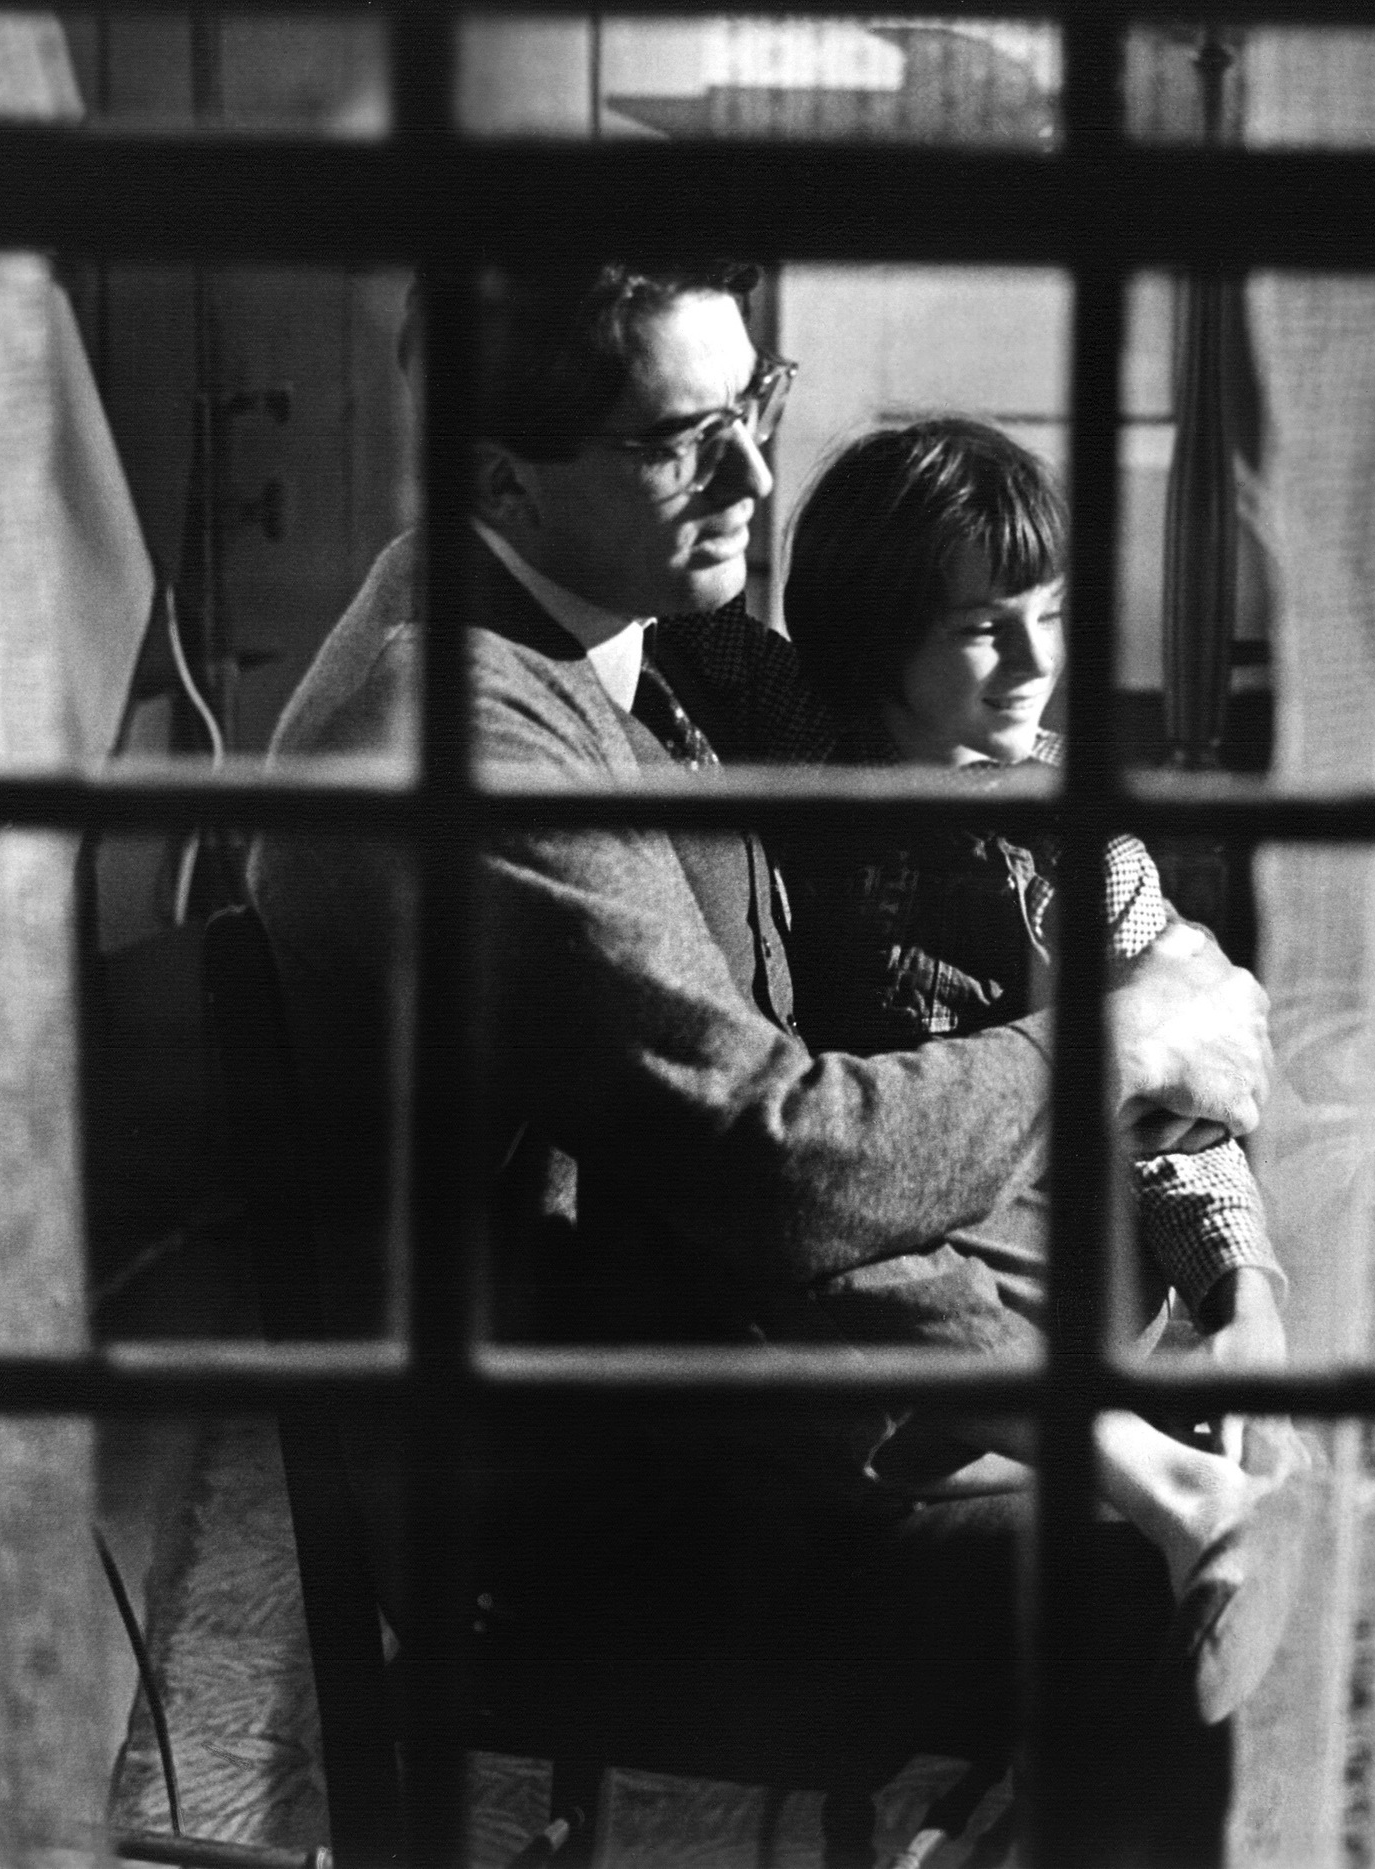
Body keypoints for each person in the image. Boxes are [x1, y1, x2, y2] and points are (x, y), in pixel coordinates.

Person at [248, 263, 1290, 1799]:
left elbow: (920, 780)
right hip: (595, 1518)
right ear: (504, 481)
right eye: (683, 440)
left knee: (1257, 1424)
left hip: (717, 1369)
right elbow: (775, 1160)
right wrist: (1124, 1040)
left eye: (756, 404)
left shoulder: (630, 636)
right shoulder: (467, 738)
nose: (751, 474)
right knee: (1237, 1628)